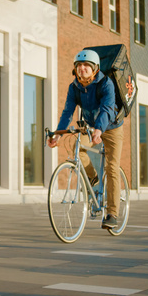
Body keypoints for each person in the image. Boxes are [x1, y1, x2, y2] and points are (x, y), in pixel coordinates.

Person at [47, 49, 124, 228]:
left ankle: (112, 213)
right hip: (90, 126)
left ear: (95, 69)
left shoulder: (106, 83)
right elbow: (68, 112)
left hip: (111, 127)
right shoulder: (74, 87)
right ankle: (92, 176)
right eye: (78, 66)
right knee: (76, 146)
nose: (82, 68)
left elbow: (106, 109)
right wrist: (58, 134)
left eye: (86, 66)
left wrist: (99, 129)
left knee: (111, 167)